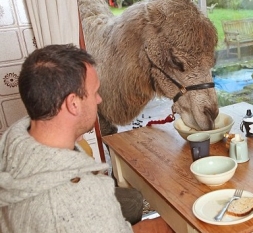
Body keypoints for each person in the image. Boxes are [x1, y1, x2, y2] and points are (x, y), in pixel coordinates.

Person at [0, 44, 173, 233]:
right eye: (95, 92)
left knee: (133, 202)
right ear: (73, 104)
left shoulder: (16, 134)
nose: (99, 100)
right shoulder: (81, 200)